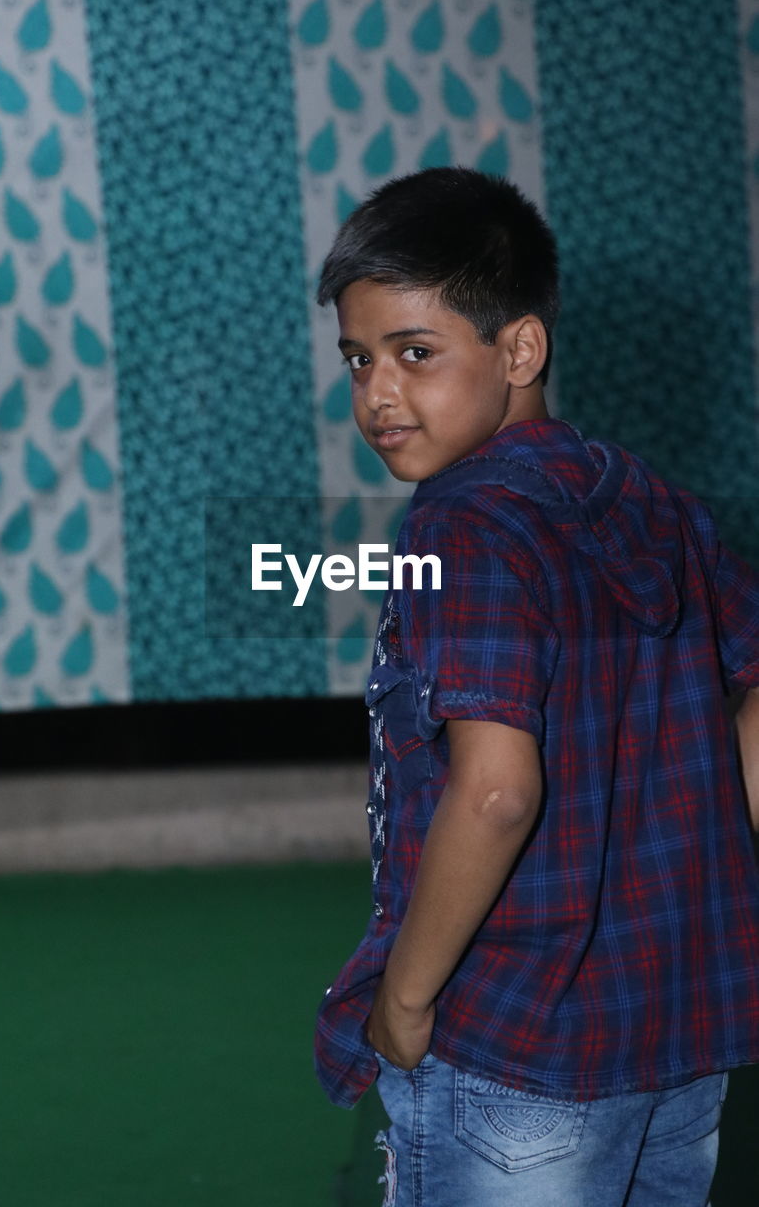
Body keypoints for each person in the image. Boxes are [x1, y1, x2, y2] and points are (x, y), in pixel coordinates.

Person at [313, 167, 759, 1206]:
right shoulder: (648, 498)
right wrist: (707, 836)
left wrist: (409, 997)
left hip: (516, 1039)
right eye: (357, 358)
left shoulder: (460, 526)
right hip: (679, 1029)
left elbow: (496, 788)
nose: (378, 393)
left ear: (519, 347)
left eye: (415, 353)